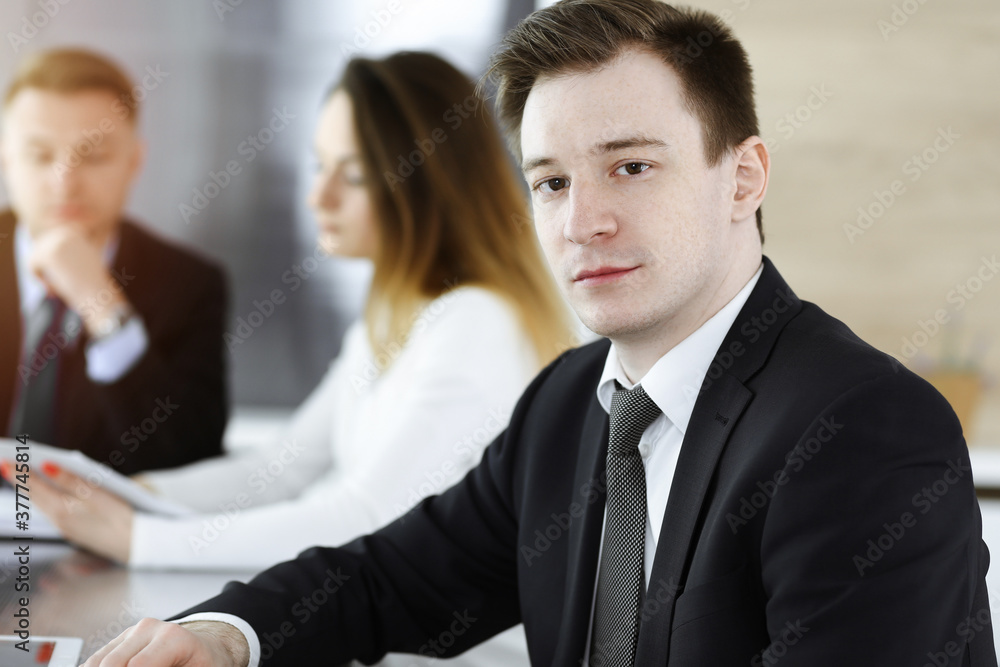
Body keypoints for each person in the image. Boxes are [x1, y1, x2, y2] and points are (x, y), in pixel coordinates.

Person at [81, 2, 997, 666]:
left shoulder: (865, 431)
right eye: (552, 182)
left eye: (631, 166)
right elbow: (387, 576)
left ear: (744, 175)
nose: (581, 220)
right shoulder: (568, 404)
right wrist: (223, 635)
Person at [28, 51, 575, 666]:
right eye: (318, 165)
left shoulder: (475, 321)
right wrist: (128, 495)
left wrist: (140, 538)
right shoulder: (396, 313)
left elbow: (366, 516)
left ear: (425, 184)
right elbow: (284, 465)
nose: (318, 195)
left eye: (355, 174)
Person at [0, 48, 228, 474]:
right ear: (6, 159)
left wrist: (103, 307)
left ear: (134, 161)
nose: (64, 182)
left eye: (93, 155)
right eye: (40, 155)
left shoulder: (190, 285)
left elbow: (191, 458)